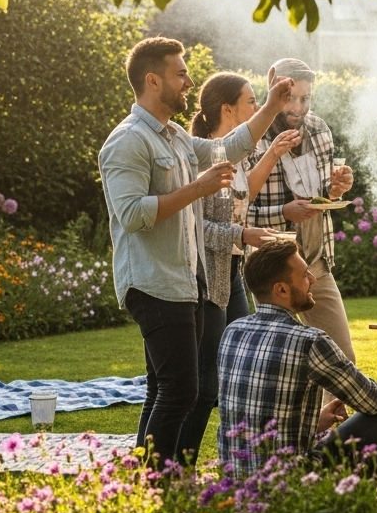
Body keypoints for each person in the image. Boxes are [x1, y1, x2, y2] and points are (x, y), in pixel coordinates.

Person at [99, 37, 293, 467]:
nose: (189, 81)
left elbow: (232, 146)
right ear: (153, 80)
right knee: (183, 391)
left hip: (184, 281)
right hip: (153, 281)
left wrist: (272, 106)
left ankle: (147, 480)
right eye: (180, 73)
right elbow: (131, 214)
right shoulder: (127, 141)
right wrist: (198, 189)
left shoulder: (175, 138)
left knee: (163, 389)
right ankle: (160, 484)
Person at [178, 72, 301, 463]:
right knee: (206, 383)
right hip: (206, 277)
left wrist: (273, 153)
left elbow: (246, 189)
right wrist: (243, 234)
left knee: (239, 366)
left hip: (230, 274)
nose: (256, 109)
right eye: (251, 102)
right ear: (227, 109)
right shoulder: (203, 160)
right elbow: (197, 226)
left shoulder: (232, 157)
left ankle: (238, 458)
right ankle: (178, 466)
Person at [217, 239, 377, 473]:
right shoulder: (310, 341)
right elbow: (371, 401)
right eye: (305, 275)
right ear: (282, 289)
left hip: (236, 479)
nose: (313, 280)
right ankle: (353, 505)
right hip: (290, 482)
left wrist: (314, 421)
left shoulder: (232, 331)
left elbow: (256, 418)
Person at [245, 59, 357, 367]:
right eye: (289, 97)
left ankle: (337, 416)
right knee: (281, 365)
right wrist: (284, 211)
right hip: (272, 269)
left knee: (341, 359)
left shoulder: (320, 129)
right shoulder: (250, 136)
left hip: (315, 263)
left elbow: (321, 195)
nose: (298, 106)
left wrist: (337, 189)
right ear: (273, 92)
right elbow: (237, 211)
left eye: (305, 98)